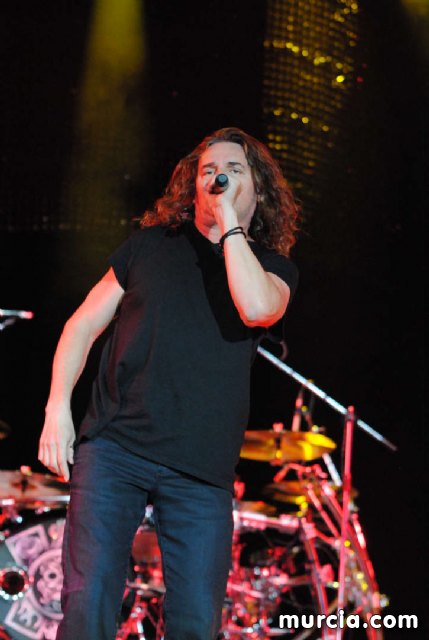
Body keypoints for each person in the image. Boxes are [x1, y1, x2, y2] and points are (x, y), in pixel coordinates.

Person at [38, 127, 300, 640]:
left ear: (259, 189)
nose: (218, 177)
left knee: (196, 622)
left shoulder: (274, 268)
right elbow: (82, 325)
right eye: (208, 170)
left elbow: (256, 308)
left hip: (201, 470)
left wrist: (230, 224)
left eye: (234, 170)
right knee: (88, 603)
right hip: (115, 448)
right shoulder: (150, 246)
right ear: (192, 185)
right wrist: (56, 409)